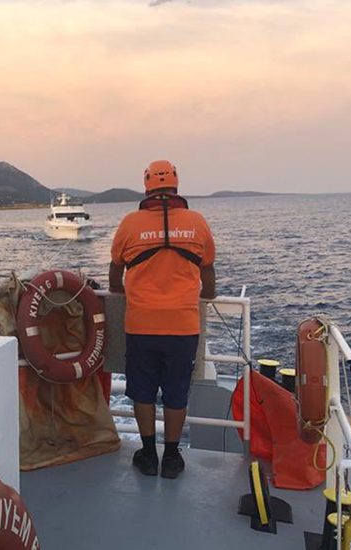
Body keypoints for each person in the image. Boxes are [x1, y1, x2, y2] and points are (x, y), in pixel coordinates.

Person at [109, 160, 216, 479]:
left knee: (142, 391)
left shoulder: (130, 223)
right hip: (183, 326)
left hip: (141, 325)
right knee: (176, 392)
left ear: (147, 186)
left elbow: (115, 271)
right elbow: (208, 272)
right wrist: (207, 295)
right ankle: (171, 458)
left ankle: (147, 454)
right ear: (175, 185)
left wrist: (120, 291)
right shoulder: (197, 222)